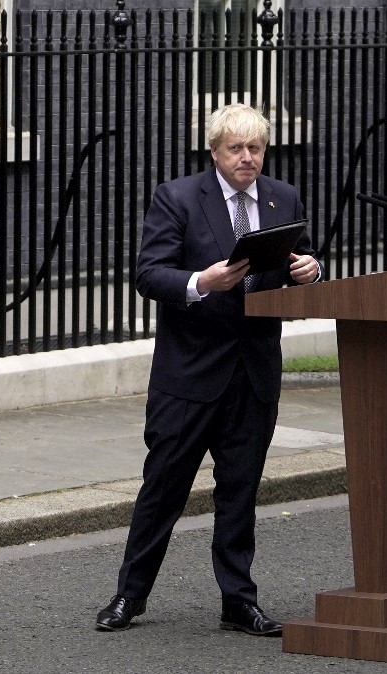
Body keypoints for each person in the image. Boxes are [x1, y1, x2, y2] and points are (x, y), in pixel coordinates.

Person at [95, 103, 323, 636]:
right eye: (236, 149)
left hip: (254, 371)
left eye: (256, 149)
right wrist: (202, 282)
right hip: (190, 374)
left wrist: (310, 270)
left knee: (240, 491)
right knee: (163, 489)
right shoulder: (177, 198)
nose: (248, 159)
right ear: (214, 151)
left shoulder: (281, 197)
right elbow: (150, 275)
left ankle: (238, 602)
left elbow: (300, 261)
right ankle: (130, 596)